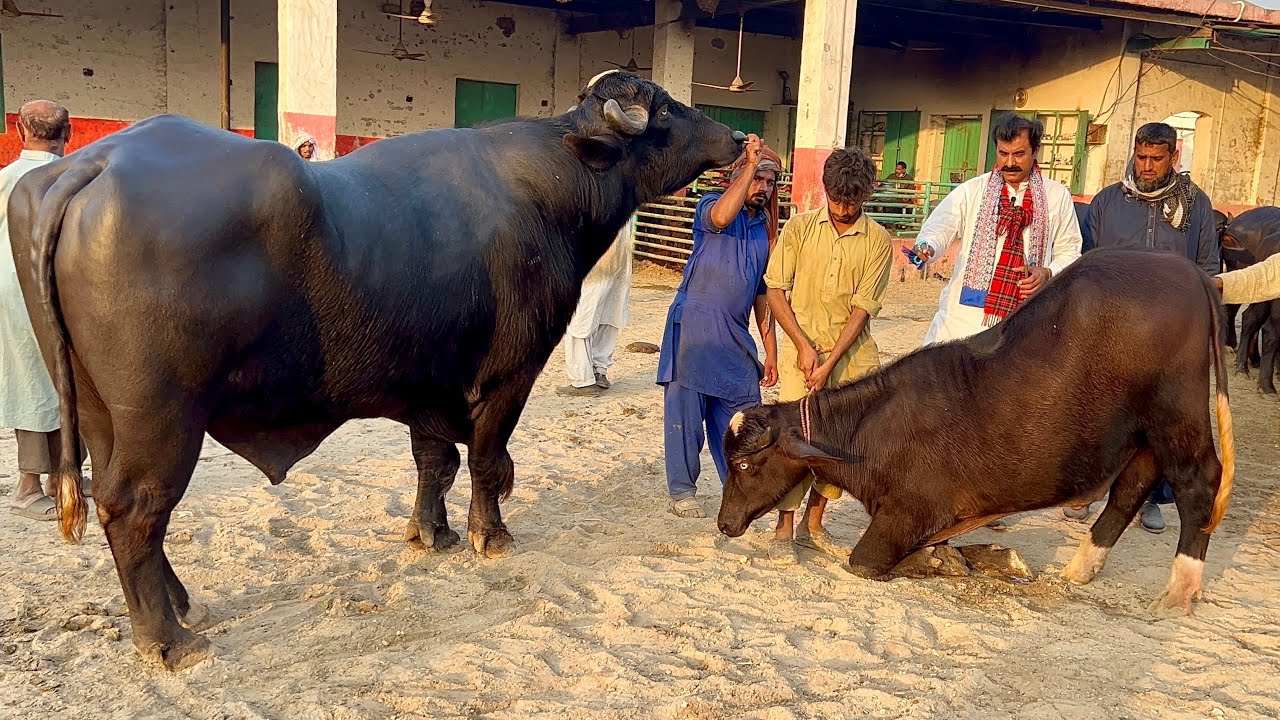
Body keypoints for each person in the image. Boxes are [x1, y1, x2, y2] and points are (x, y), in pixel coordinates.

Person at [1078, 121, 1221, 533]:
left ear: (1173, 157)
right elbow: (1088, 266)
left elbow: (1208, 268)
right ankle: (1092, 490)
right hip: (1112, 330)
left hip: (1169, 338)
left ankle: (1150, 499)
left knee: (1161, 420)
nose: (1146, 166)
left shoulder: (1196, 206)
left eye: (1156, 159)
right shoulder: (1106, 202)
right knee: (1103, 415)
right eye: (1141, 157)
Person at [763, 146, 893, 565]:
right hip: (802, 351)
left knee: (841, 442)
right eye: (837, 198)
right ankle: (784, 523)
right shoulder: (799, 229)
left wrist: (831, 361)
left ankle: (813, 523)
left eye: (853, 200)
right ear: (825, 190)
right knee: (793, 437)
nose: (843, 207)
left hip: (851, 358)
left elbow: (862, 308)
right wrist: (802, 346)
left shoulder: (878, 241)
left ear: (866, 195)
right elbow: (776, 290)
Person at [658, 134, 780, 519]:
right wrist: (748, 163)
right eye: (757, 178)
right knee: (686, 419)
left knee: (748, 424)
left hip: (734, 340)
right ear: (740, 177)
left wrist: (771, 350)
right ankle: (682, 490)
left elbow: (762, 294)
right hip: (693, 331)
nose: (762, 188)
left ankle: (742, 487)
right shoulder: (711, 206)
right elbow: (723, 216)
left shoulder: (764, 230)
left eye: (770, 181)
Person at [910, 113, 1083, 345]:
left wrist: (1046, 273)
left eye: (1019, 154)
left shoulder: (1056, 195)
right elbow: (940, 228)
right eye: (1003, 154)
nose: (1010, 163)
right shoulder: (973, 190)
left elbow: (1070, 251)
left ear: (1035, 151)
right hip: (963, 319)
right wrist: (927, 247)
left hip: (1029, 317)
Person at [1, 100, 87, 520]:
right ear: (68, 133)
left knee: (45, 376)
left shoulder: (8, 179)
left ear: (19, 131)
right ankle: (27, 486)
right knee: (48, 377)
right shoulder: (78, 179)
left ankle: (60, 475)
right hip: (51, 289)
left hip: (16, 289)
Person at [558, 216, 635, 397]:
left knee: (578, 321)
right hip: (619, 261)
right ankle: (599, 370)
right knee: (608, 316)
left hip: (596, 265)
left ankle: (582, 380)